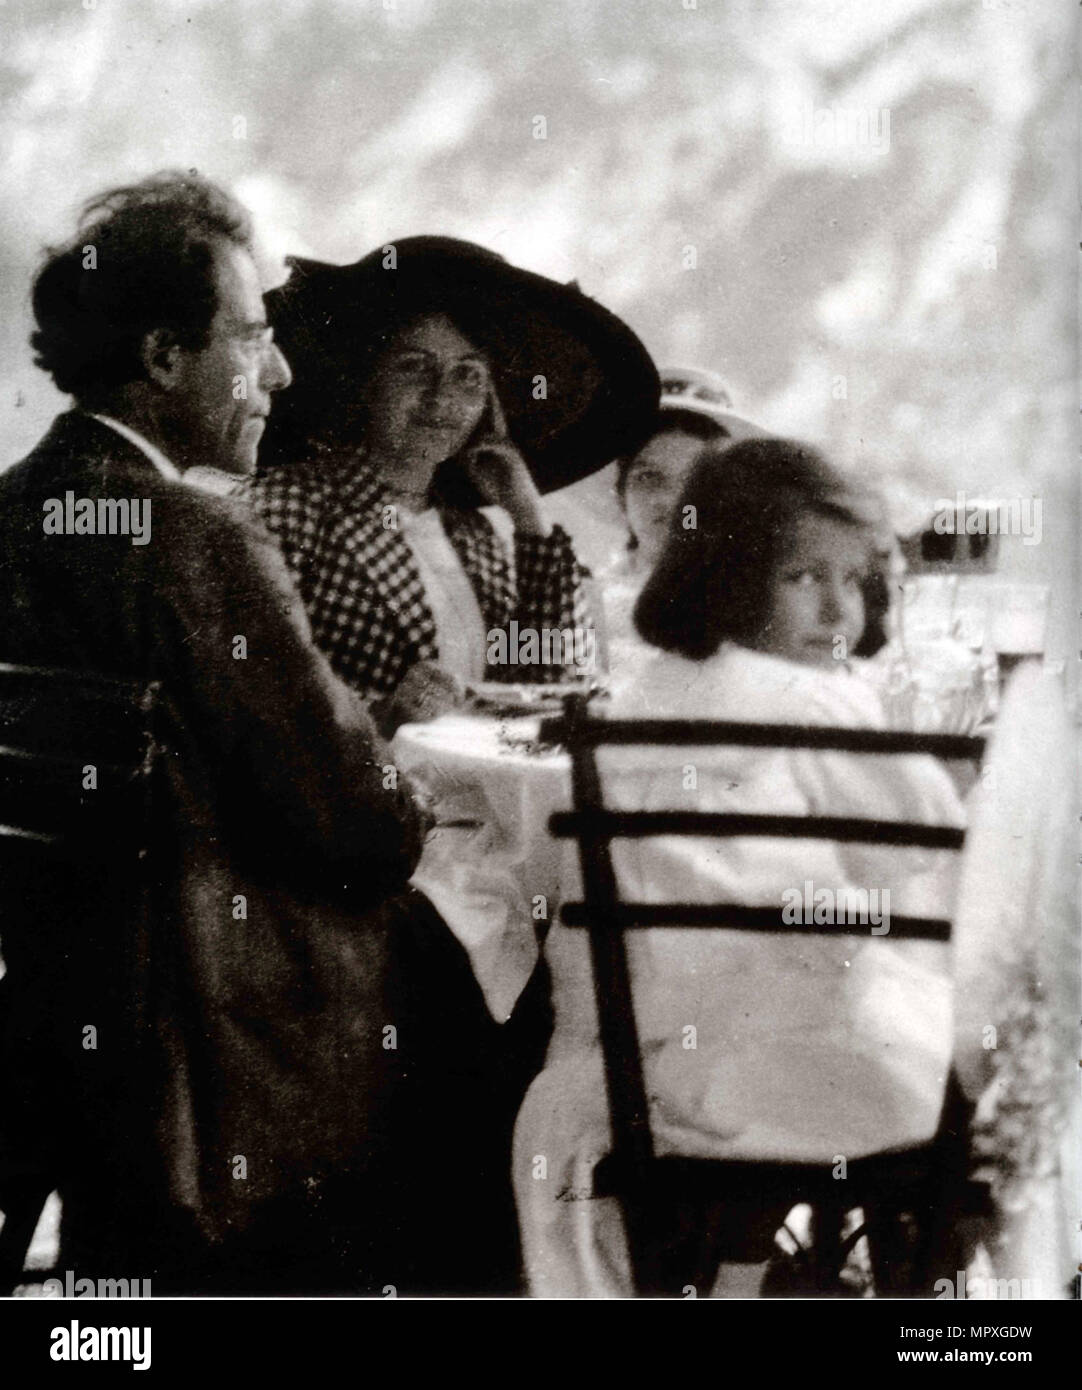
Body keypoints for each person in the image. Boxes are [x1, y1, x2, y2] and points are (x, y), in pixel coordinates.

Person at [0, 171, 449, 1294]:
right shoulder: (195, 539)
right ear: (163, 358)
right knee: (498, 1002)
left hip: (61, 1030)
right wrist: (421, 788)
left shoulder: (16, 509)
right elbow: (357, 821)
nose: (282, 373)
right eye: (252, 339)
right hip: (223, 1057)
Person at [512, 437, 967, 1297]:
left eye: (852, 577)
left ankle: (740, 1276)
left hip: (643, 1077)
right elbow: (928, 843)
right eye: (803, 577)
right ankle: (941, 1301)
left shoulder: (640, 698)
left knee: (804, 976)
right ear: (729, 572)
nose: (839, 609)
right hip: (800, 1074)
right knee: (998, 1056)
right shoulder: (813, 700)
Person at [245, 236, 659, 731]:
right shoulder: (286, 508)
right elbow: (252, 696)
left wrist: (528, 519)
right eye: (415, 367)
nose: (441, 398)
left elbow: (547, 686)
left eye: (468, 376)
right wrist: (382, 715)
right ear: (367, 382)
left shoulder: (477, 536)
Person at [601, 367, 766, 686]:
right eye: (649, 478)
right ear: (621, 497)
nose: (673, 501)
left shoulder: (762, 603)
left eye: (695, 480)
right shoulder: (585, 605)